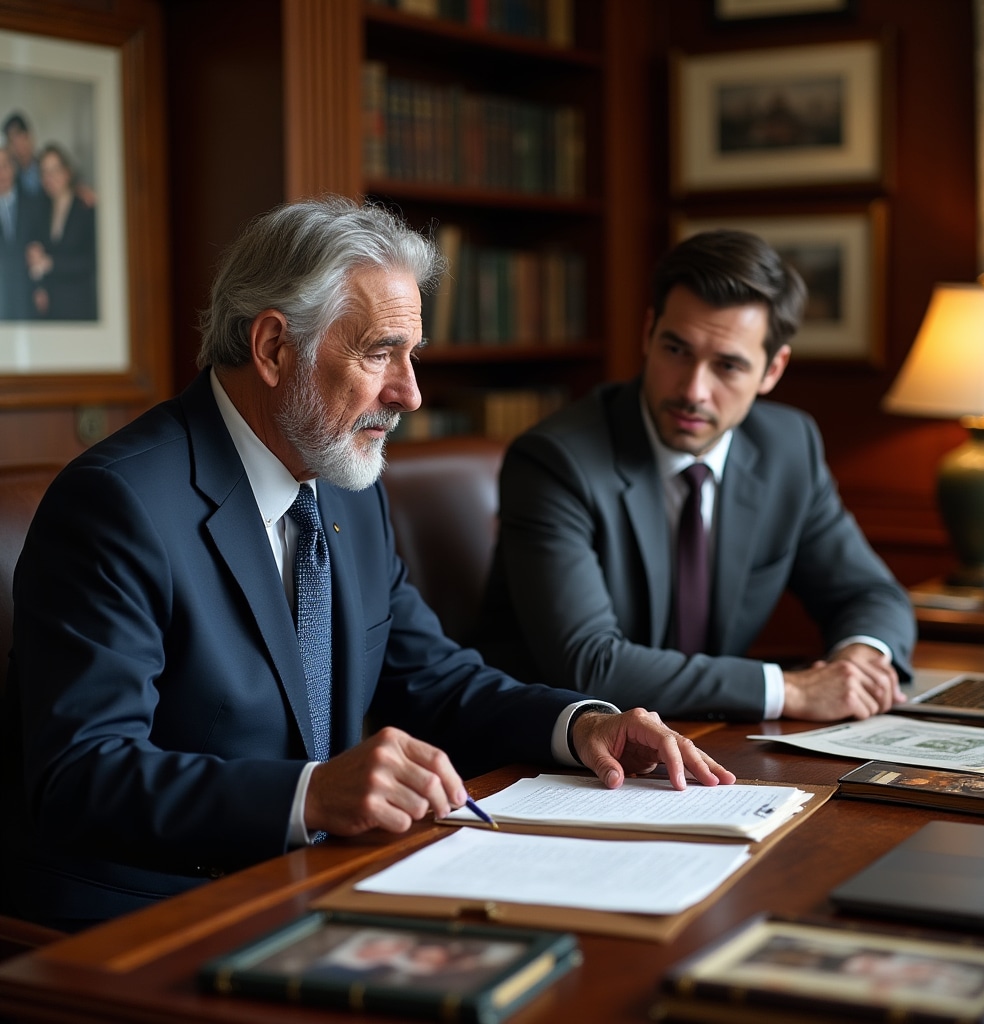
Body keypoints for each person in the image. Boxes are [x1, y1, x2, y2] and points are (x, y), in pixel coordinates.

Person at [0, 196, 735, 933]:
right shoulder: (117, 504)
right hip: (150, 914)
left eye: (412, 355)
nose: (409, 393)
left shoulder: (346, 485)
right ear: (273, 348)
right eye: (380, 353)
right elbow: (82, 773)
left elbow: (432, 677)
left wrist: (581, 726)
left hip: (320, 884)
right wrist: (311, 795)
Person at [476, 229, 916, 723]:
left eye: (727, 366)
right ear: (648, 333)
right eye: (676, 350)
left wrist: (859, 660)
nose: (693, 391)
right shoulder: (556, 461)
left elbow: (871, 593)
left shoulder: (787, 447)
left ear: (773, 370)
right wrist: (788, 690)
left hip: (707, 735)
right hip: (559, 744)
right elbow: (590, 664)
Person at [24, 143, 98, 320]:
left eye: (55, 170)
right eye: (44, 172)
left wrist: (51, 263)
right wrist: (39, 286)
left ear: (67, 172)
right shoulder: (41, 210)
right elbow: (36, 259)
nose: (49, 177)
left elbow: (91, 261)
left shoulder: (85, 208)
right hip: (49, 310)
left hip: (79, 307)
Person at [0, 146, 44, 320]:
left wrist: (40, 287)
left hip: (28, 298)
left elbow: (42, 246)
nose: (1, 173)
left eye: (5, 165)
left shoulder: (34, 203)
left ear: (14, 168)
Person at [2, 112, 41, 197]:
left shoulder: (45, 167)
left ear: (29, 137)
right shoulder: (10, 177)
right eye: (12, 142)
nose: (18, 147)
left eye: (20, 138)